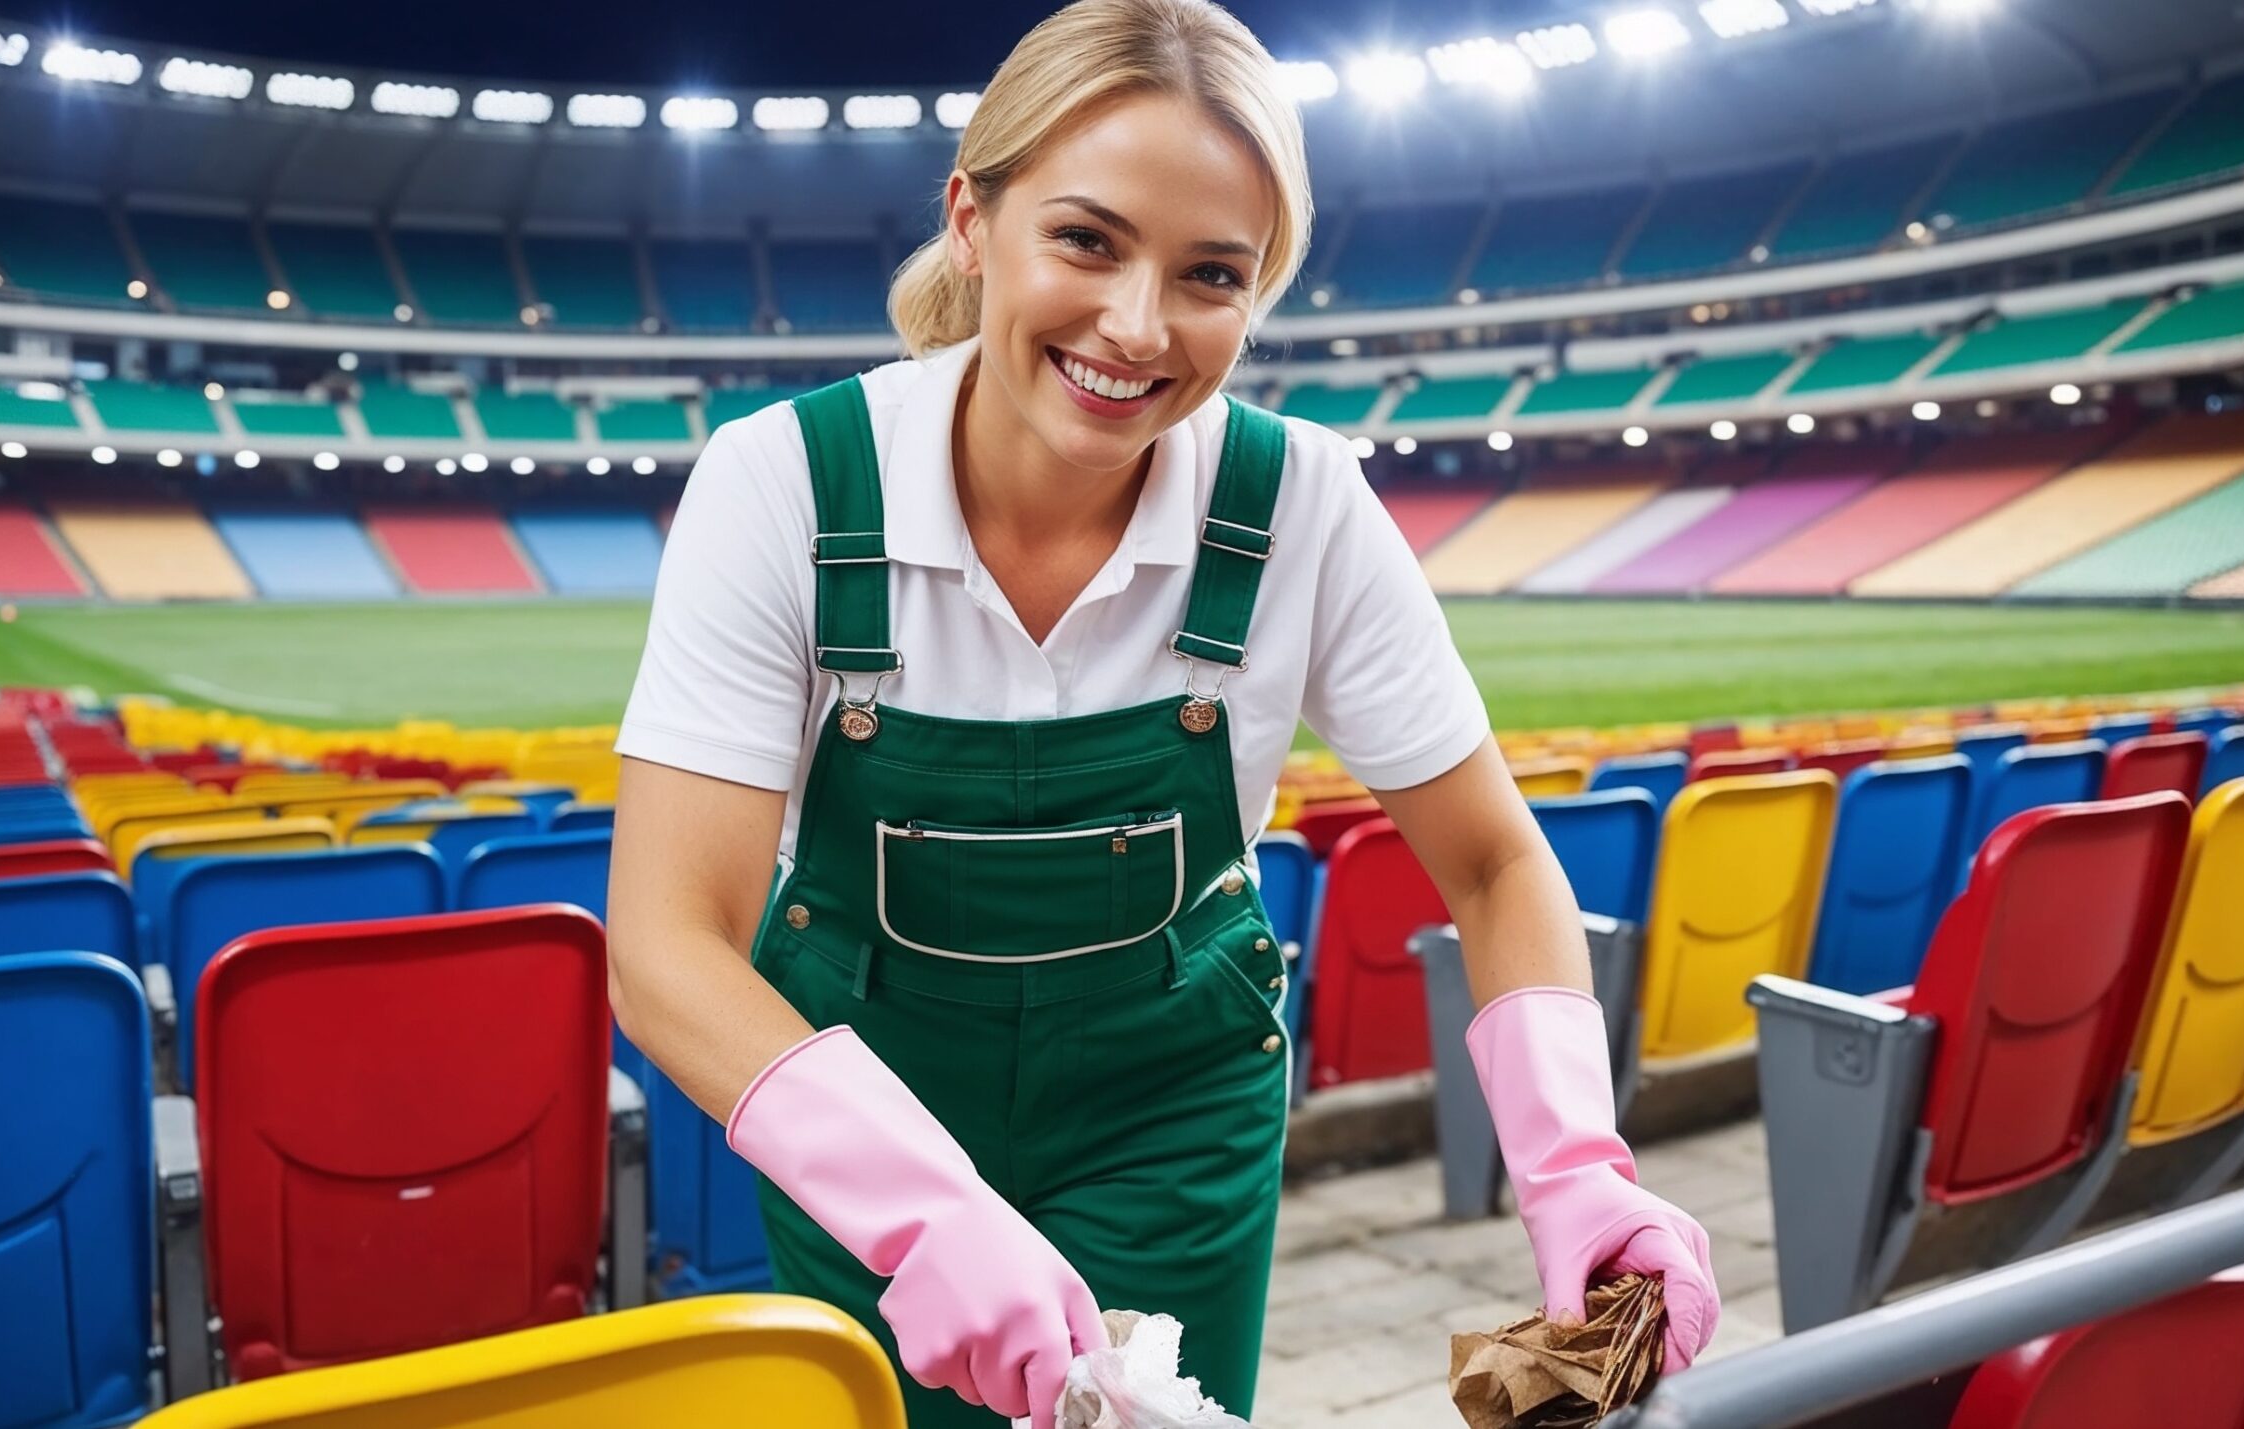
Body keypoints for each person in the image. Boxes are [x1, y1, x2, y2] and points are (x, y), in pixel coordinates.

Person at [606, 2, 1718, 1424]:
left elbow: (1497, 864)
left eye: (1210, 274)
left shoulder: (1301, 504)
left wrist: (1578, 1163)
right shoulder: (787, 483)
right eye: (1086, 239)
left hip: (1171, 1125)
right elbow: (664, 944)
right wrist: (924, 1210)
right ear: (971, 218)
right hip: (866, 1118)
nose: (1137, 326)